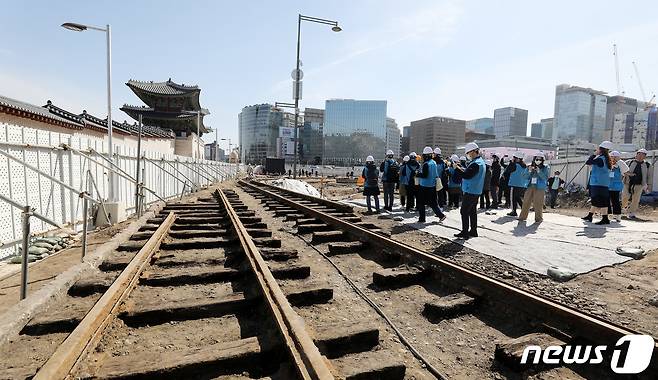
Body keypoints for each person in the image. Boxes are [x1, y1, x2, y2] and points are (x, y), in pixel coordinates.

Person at [454, 143, 486, 239]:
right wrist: (461, 168)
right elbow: (469, 172)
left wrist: (457, 169)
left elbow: (467, 175)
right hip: (475, 190)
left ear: (473, 152)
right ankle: (473, 231)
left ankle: (465, 232)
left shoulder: (476, 163)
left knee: (464, 211)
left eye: (468, 153)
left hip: (471, 191)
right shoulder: (479, 162)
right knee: (472, 211)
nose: (468, 155)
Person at [582, 141, 614, 225]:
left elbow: (588, 162)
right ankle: (590, 215)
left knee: (600, 201)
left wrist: (593, 155)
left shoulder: (600, 159)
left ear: (601, 149)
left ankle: (605, 218)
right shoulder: (607, 159)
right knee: (596, 200)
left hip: (597, 183)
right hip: (603, 183)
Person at [416, 147, 447, 223]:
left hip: (424, 187)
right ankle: (441, 215)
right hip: (432, 186)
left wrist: (417, 174)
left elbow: (424, 175)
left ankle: (422, 218)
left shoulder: (426, 164)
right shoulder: (434, 163)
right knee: (433, 203)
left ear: (426, 155)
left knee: (420, 203)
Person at [518, 152, 550, 223]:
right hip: (530, 186)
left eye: (539, 159)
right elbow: (524, 177)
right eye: (536, 159)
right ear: (534, 159)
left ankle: (538, 218)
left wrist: (539, 171)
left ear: (542, 160)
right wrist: (529, 171)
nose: (538, 161)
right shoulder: (530, 166)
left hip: (540, 187)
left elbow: (545, 177)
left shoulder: (545, 167)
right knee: (526, 202)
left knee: (538, 203)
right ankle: (522, 217)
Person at [622, 148, 651, 220]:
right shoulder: (629, 162)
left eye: (642, 155)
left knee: (636, 199)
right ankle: (623, 208)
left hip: (639, 184)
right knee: (625, 196)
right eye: (639, 154)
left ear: (645, 156)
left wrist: (649, 186)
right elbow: (623, 171)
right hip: (627, 183)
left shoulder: (647, 165)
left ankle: (631, 212)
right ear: (636, 155)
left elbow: (650, 176)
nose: (640, 156)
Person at [608, 151, 629, 222]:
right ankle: (608, 214)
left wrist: (618, 162)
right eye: (611, 156)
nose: (613, 158)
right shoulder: (608, 163)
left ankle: (618, 215)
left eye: (614, 157)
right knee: (607, 200)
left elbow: (625, 171)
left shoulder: (621, 163)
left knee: (615, 200)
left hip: (616, 186)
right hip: (607, 184)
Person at [504, 152, 527, 216]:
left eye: (514, 158)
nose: (513, 159)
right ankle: (523, 209)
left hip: (514, 184)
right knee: (517, 197)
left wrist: (511, 163)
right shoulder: (524, 166)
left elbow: (507, 171)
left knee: (513, 198)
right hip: (521, 184)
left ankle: (514, 211)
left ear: (517, 159)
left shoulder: (514, 165)